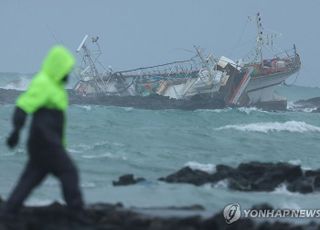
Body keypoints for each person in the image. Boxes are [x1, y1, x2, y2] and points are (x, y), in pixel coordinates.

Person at [2, 45, 84, 215]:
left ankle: (8, 211)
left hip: (44, 142)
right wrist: (16, 131)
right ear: (57, 67)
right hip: (46, 141)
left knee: (30, 179)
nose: (68, 74)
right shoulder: (44, 83)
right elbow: (23, 106)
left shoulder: (56, 86)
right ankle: (77, 215)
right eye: (65, 69)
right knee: (69, 172)